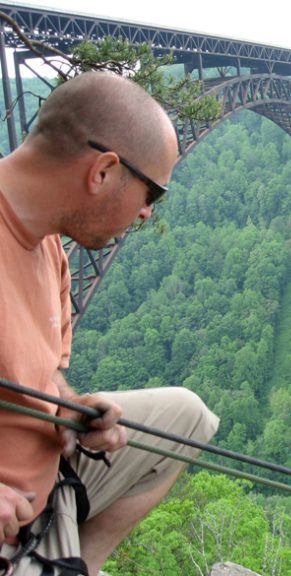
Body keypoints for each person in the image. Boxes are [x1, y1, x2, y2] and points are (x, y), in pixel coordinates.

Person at [0, 71, 220, 575]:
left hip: (49, 480)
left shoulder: (49, 245)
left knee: (187, 417)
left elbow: (41, 370)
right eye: (152, 193)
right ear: (102, 171)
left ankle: (82, 563)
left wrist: (73, 404)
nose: (146, 213)